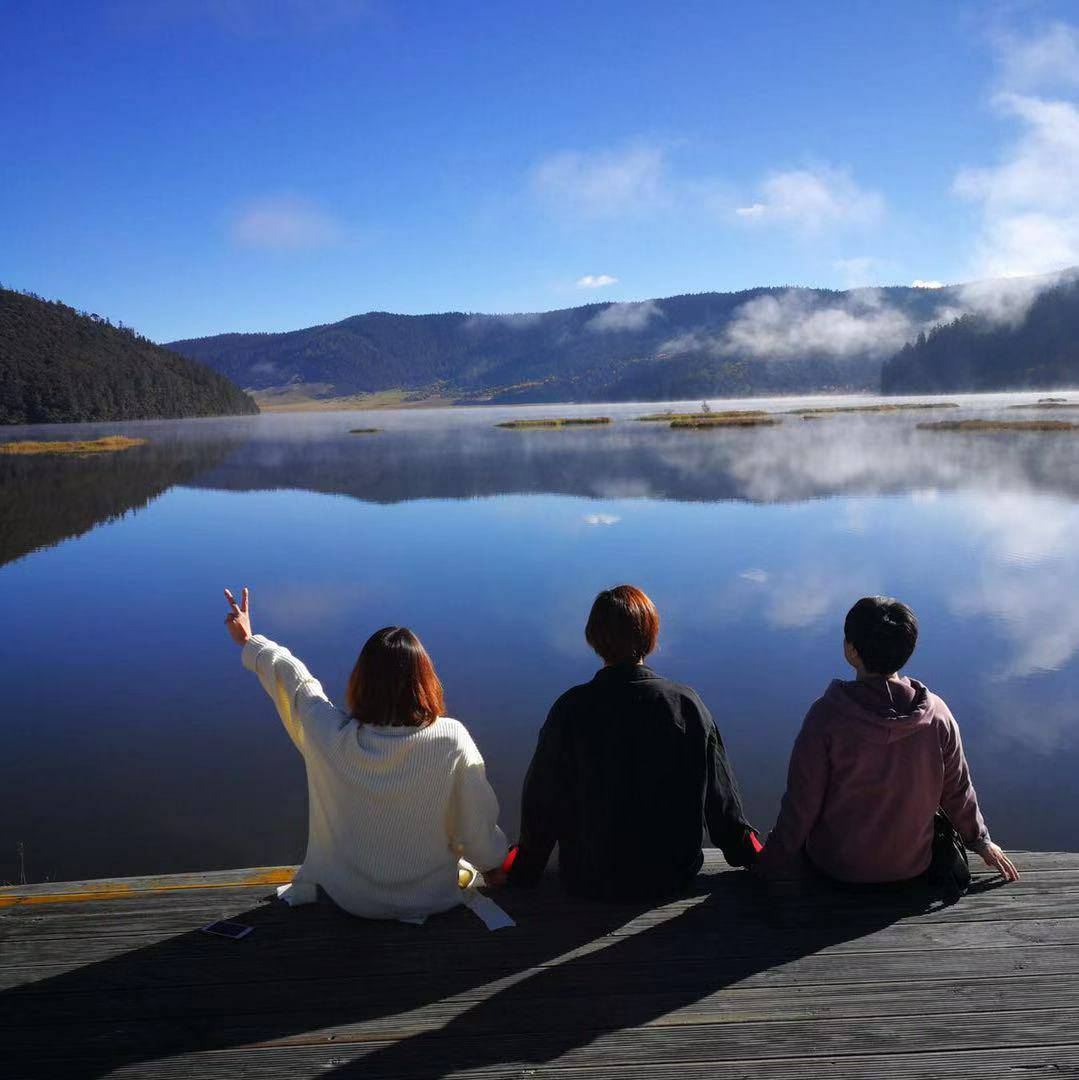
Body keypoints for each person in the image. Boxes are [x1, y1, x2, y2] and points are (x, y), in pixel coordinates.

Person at [222, 587, 511, 924]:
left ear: (362, 682)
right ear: (425, 682)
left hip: (352, 899)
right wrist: (493, 863)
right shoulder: (451, 739)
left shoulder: (332, 737)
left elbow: (298, 683)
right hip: (431, 899)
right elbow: (476, 830)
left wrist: (251, 641)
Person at [507, 584, 760, 901]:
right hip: (671, 878)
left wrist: (526, 870)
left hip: (587, 879)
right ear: (649, 637)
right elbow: (722, 807)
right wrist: (753, 855)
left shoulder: (570, 708)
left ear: (594, 638)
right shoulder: (686, 704)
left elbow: (542, 803)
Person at [756, 595, 1019, 886]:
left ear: (851, 650)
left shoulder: (826, 718)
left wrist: (772, 859)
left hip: (836, 866)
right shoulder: (938, 715)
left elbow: (801, 804)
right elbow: (957, 790)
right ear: (909, 649)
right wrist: (980, 840)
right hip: (913, 866)